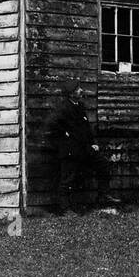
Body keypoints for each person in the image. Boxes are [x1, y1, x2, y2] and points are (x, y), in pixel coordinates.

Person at [47, 80, 100, 213]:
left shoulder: (80, 106)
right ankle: (65, 208)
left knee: (102, 164)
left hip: (83, 149)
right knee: (67, 179)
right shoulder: (63, 108)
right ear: (71, 94)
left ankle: (103, 197)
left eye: (80, 88)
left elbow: (86, 128)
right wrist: (65, 134)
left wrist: (92, 143)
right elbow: (53, 126)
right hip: (69, 151)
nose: (81, 90)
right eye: (77, 89)